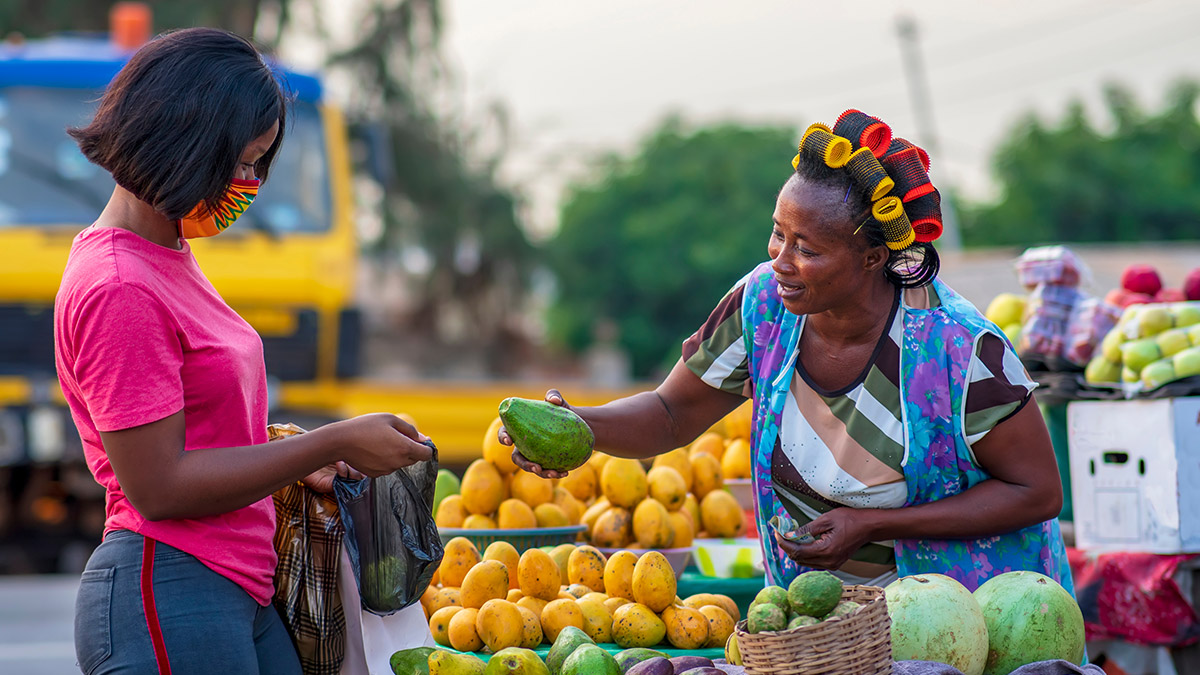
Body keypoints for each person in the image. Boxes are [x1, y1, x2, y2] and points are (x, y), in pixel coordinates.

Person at [507, 110, 1073, 594]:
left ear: (874, 257)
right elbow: (670, 413)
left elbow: (1037, 491)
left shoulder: (957, 348)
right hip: (827, 635)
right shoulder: (763, 306)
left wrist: (875, 525)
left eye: (807, 248)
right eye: (779, 234)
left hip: (967, 630)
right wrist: (581, 428)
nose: (780, 260)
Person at [54, 28, 431, 675]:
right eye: (244, 161)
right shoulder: (121, 285)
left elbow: (199, 424)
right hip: (169, 587)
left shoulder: (169, 252)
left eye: (259, 163)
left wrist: (301, 455)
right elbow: (160, 486)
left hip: (236, 583)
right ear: (184, 140)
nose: (249, 183)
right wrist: (322, 443)